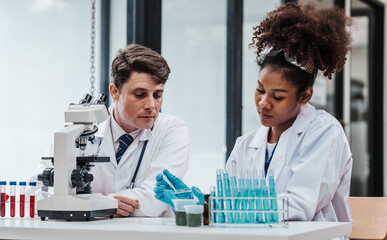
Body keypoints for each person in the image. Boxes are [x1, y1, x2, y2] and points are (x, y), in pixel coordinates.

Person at [155, 2, 353, 223]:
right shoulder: (245, 145)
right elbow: (227, 209)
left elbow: (299, 206)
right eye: (260, 90)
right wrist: (197, 203)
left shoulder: (325, 132)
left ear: (305, 96)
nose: (263, 103)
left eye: (277, 97)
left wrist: (221, 205)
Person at [34, 44, 189, 217]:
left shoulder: (172, 130)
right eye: (139, 94)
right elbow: (37, 193)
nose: (151, 105)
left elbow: (154, 200)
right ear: (114, 91)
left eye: (157, 95)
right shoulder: (77, 133)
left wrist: (85, 203)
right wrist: (105, 203)